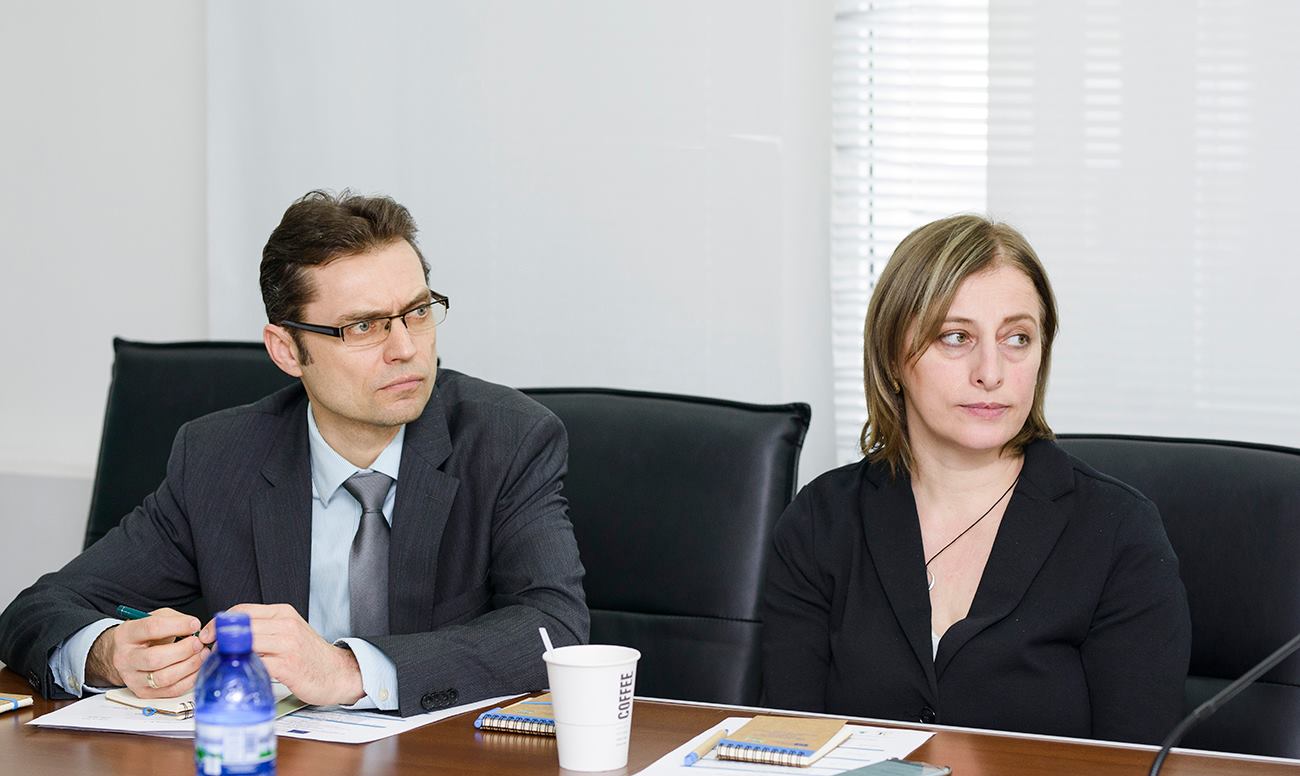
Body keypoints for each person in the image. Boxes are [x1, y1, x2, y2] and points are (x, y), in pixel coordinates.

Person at [0, 190, 589, 716]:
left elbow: (555, 629)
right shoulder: (218, 458)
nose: (406, 348)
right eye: (363, 327)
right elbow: (39, 610)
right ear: (286, 350)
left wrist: (347, 671)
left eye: (416, 312)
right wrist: (107, 653)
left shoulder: (507, 441)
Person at [761, 215, 1190, 744]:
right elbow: (787, 746)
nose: (991, 371)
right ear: (893, 357)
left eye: (1017, 338)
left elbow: (1137, 761)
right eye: (956, 337)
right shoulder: (821, 522)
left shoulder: (1118, 532)